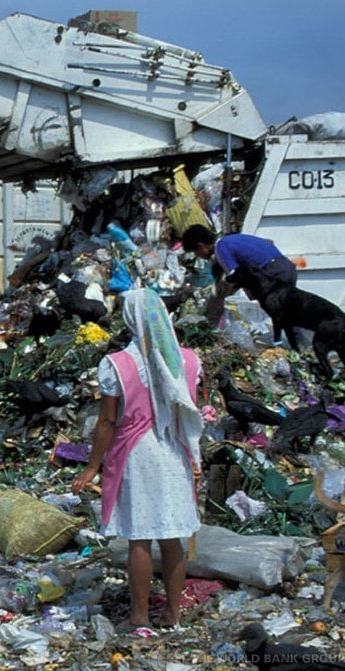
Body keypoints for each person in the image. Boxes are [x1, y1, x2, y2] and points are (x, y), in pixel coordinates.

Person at [72, 289, 203, 631]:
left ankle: (140, 617)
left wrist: (92, 466)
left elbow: (107, 422)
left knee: (141, 537)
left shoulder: (117, 363)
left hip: (138, 454)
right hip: (175, 450)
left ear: (130, 319)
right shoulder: (188, 360)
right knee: (172, 536)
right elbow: (190, 409)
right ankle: (173, 614)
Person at [181, 225, 297, 286]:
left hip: (273, 273)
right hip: (287, 266)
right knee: (288, 314)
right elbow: (269, 242)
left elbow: (235, 276)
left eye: (195, 252)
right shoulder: (232, 238)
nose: (198, 256)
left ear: (201, 246)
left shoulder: (220, 248)